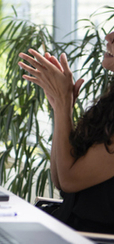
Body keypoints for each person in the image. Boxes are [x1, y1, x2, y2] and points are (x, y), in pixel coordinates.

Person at [19, 38, 114, 234]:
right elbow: (60, 179)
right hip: (67, 227)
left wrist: (64, 104)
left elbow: (69, 180)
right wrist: (60, 106)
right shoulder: (109, 105)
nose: (109, 37)